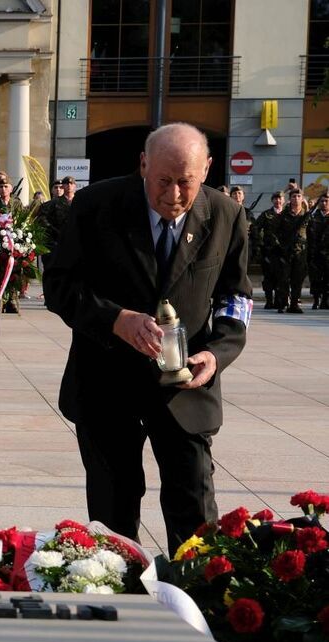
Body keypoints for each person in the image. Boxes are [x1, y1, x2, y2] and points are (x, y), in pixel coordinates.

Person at [44, 122, 250, 550]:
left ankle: (195, 599)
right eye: (163, 181)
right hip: (107, 383)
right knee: (113, 511)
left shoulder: (226, 215)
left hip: (185, 391)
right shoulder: (94, 206)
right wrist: (115, 319)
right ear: (142, 164)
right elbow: (60, 287)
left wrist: (216, 353)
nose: (173, 195)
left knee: (194, 509)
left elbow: (235, 298)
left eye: (185, 183)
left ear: (207, 170)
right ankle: (123, 600)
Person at [251, 192, 286, 309]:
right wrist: (260, 244)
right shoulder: (266, 214)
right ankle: (269, 300)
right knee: (268, 277)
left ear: (284, 200)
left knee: (281, 277)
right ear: (272, 201)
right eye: (275, 199)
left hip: (283, 251)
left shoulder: (287, 214)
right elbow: (255, 227)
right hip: (269, 251)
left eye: (280, 199)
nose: (278, 201)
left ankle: (279, 300)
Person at [279, 190, 310, 313]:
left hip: (300, 253)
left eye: (299, 196)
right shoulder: (283, 215)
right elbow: (275, 232)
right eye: (294, 196)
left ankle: (294, 304)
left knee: (297, 280)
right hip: (286, 252)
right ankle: (283, 303)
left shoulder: (306, 215)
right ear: (290, 199)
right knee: (284, 279)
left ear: (302, 199)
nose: (296, 198)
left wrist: (307, 209)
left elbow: (311, 234)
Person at [312, 192, 329, 309]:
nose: (324, 203)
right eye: (322, 201)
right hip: (316, 252)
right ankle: (316, 299)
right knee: (316, 277)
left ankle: (325, 300)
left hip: (328, 253)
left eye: (326, 201)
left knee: (327, 278)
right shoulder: (313, 217)